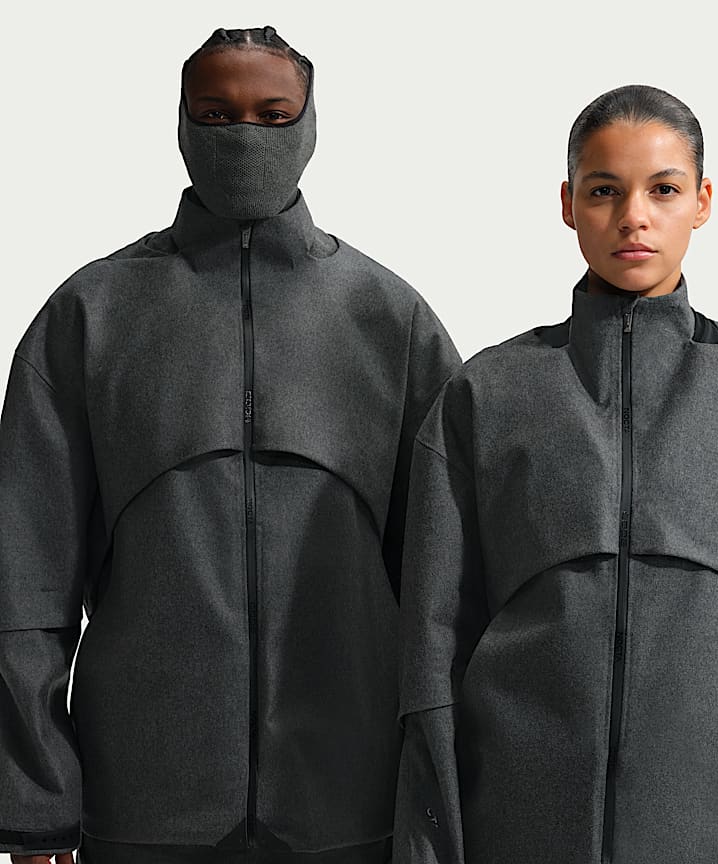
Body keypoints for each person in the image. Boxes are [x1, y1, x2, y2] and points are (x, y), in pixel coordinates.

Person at [0, 25, 460, 864]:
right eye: (216, 114)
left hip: (350, 801)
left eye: (272, 114)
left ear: (311, 122)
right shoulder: (90, 316)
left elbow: (447, 593)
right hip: (142, 801)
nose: (244, 136)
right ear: (180, 122)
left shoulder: (390, 321)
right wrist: (34, 798)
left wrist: (437, 799)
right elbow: (24, 580)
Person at [393, 83, 718, 863]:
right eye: (604, 190)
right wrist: (435, 833)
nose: (633, 217)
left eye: (663, 190)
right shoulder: (488, 394)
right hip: (517, 831)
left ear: (702, 201)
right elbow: (431, 647)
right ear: (568, 203)